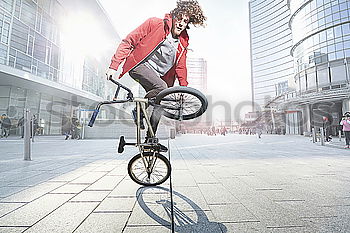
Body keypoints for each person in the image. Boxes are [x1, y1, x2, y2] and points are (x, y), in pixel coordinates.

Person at [105, 0, 206, 151]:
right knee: (162, 88)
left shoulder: (183, 42)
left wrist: (183, 89)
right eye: (179, 18)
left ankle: (150, 140)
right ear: (174, 15)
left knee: (160, 101)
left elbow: (181, 66)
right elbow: (129, 41)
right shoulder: (155, 23)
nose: (181, 23)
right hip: (138, 67)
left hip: (156, 75)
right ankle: (138, 109)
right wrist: (114, 66)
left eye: (185, 21)